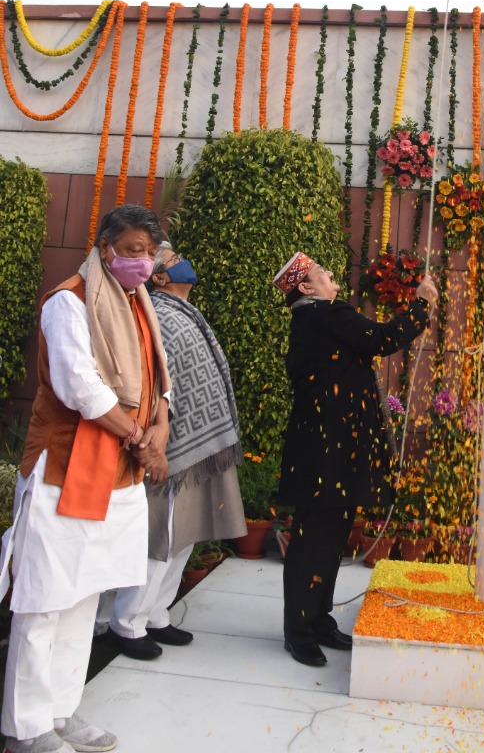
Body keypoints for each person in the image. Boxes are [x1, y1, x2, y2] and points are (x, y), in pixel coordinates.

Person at [0, 205, 171, 753]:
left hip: (118, 478)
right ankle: (25, 729)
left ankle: (61, 714)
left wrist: (161, 425)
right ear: (104, 249)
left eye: (149, 252)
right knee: (44, 603)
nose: (142, 263)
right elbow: (81, 388)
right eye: (131, 250)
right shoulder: (69, 301)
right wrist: (141, 441)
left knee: (83, 599)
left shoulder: (137, 304)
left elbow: (158, 382)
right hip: (65, 472)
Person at [274, 252, 437, 667]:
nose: (331, 276)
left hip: (329, 450)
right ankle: (299, 631)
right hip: (328, 453)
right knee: (314, 541)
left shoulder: (311, 320)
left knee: (329, 537)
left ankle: (318, 618)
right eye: (321, 274)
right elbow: (383, 339)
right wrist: (421, 305)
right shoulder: (327, 313)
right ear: (307, 289)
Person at [99, 243, 246, 658]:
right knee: (160, 539)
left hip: (196, 445)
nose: (183, 259)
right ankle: (125, 624)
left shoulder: (179, 312)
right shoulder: (152, 313)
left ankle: (155, 613)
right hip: (169, 445)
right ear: (159, 277)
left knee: (184, 537)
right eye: (173, 256)